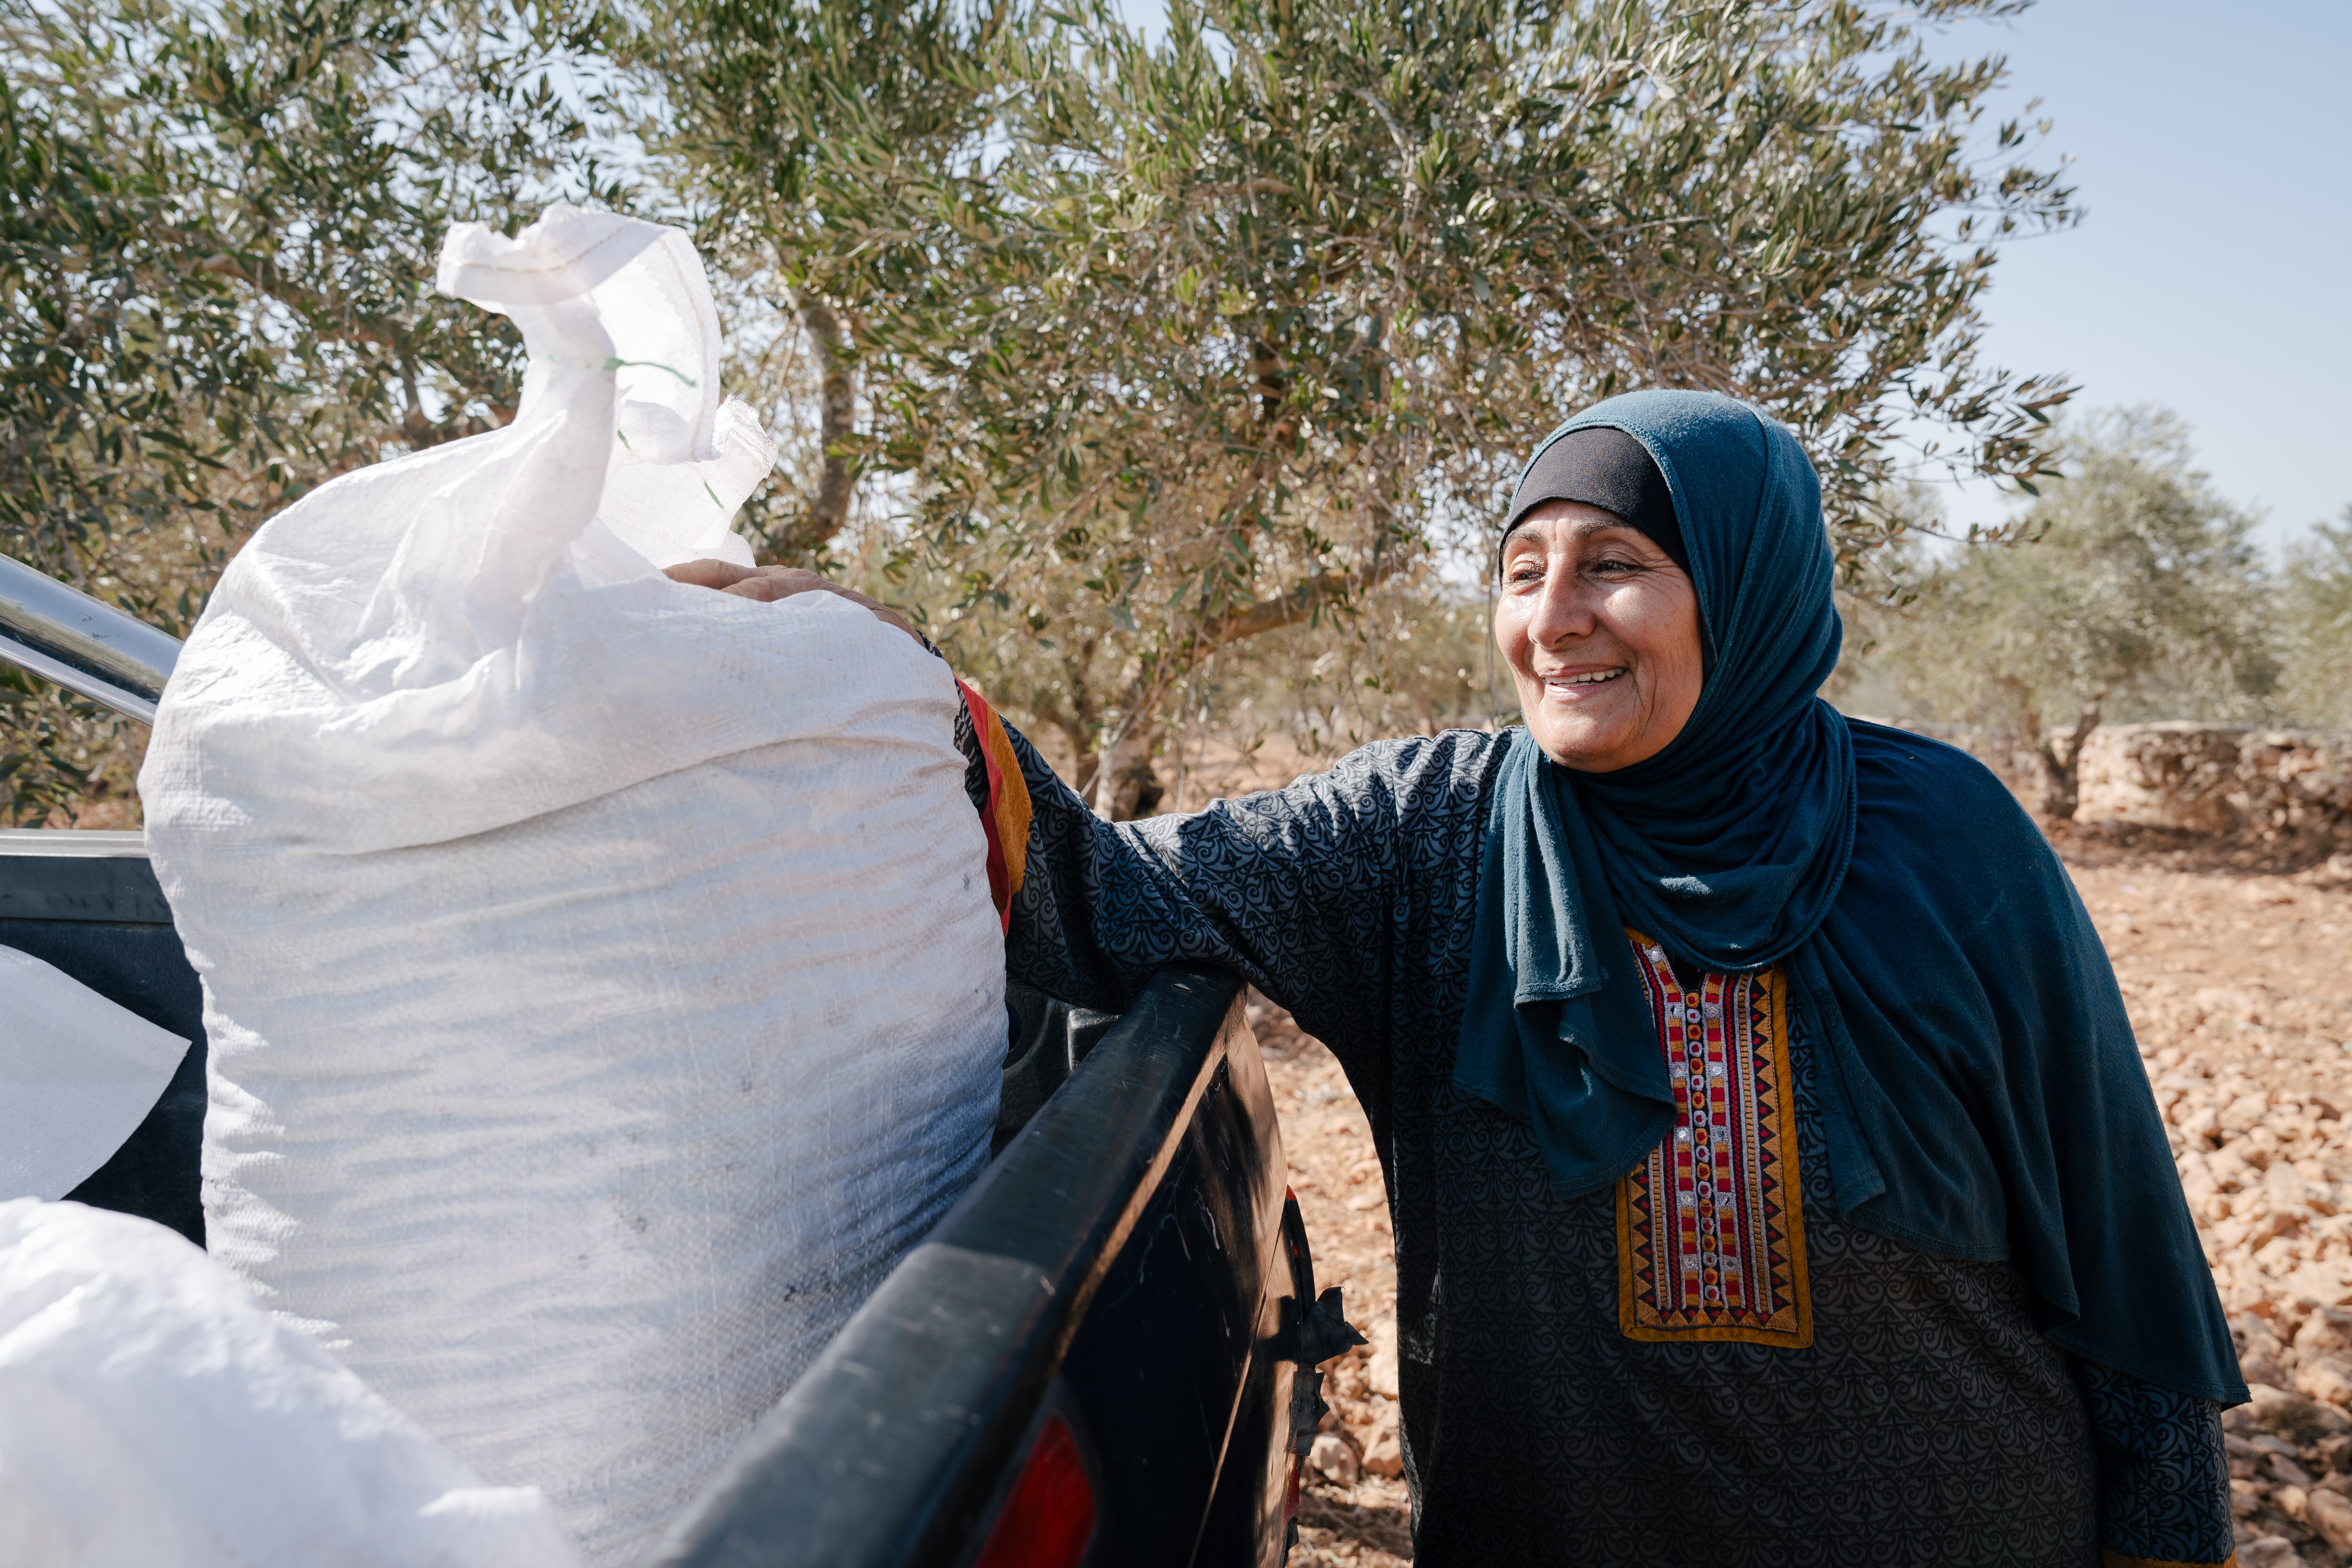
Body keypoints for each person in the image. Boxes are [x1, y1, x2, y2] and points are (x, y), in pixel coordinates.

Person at [673, 389, 2243, 1567]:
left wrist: (2170, 1545)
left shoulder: (1944, 837)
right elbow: (1098, 901)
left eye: (1616, 566)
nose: (1553, 621)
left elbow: (2116, 1241)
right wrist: (887, 685)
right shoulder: (1429, 838)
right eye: (1521, 570)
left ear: (1744, 589)